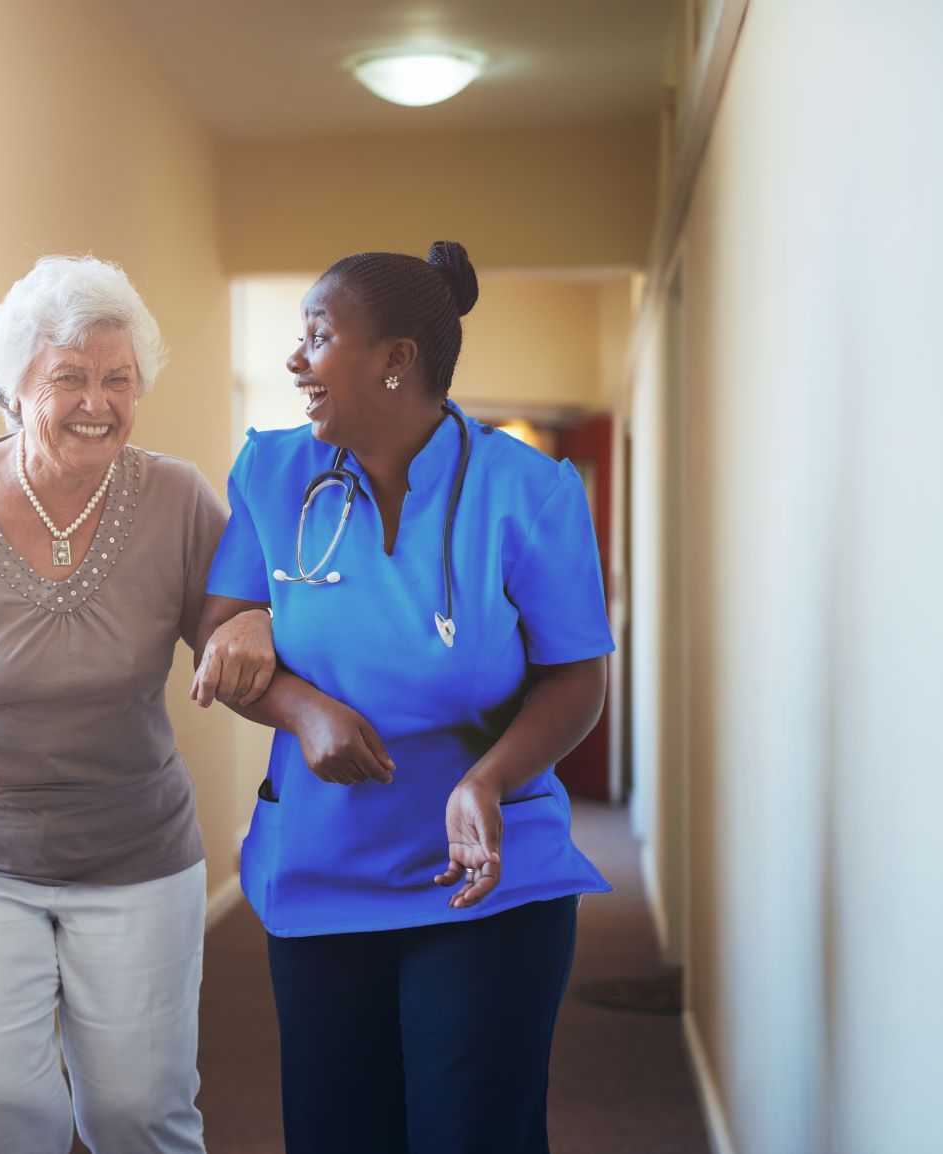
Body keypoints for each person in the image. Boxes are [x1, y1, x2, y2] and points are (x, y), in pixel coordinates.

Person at [0, 255, 271, 1154]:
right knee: (0, 1120)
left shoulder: (178, 497)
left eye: (119, 379)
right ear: (13, 386)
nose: (97, 402)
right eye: (68, 378)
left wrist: (251, 624)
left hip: (136, 850)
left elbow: (233, 623)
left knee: (140, 1117)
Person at [191, 241, 614, 1153]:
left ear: (395, 361)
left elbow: (578, 675)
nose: (295, 360)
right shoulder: (273, 474)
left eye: (318, 336)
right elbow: (222, 640)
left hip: (482, 870)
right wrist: (305, 709)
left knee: (473, 1132)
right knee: (337, 1132)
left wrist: (490, 779)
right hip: (322, 862)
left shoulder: (528, 491)